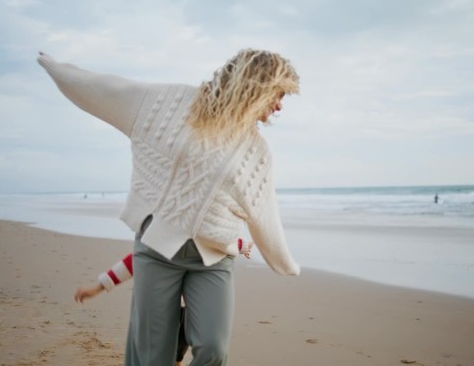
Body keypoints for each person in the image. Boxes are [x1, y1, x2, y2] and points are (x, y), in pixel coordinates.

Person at [38, 48, 301, 366]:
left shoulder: (256, 150)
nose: (279, 105)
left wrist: (284, 262)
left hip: (213, 257)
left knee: (213, 348)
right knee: (153, 357)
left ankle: (177, 332)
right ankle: (168, 336)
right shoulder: (169, 103)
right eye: (278, 94)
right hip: (156, 250)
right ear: (256, 85)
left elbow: (264, 211)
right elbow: (107, 91)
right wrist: (59, 70)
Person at [74, 239, 254, 366]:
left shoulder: (210, 239)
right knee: (164, 347)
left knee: (208, 345)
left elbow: (226, 239)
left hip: (192, 312)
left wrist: (244, 245)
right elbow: (136, 260)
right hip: (167, 310)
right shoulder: (161, 244)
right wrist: (99, 287)